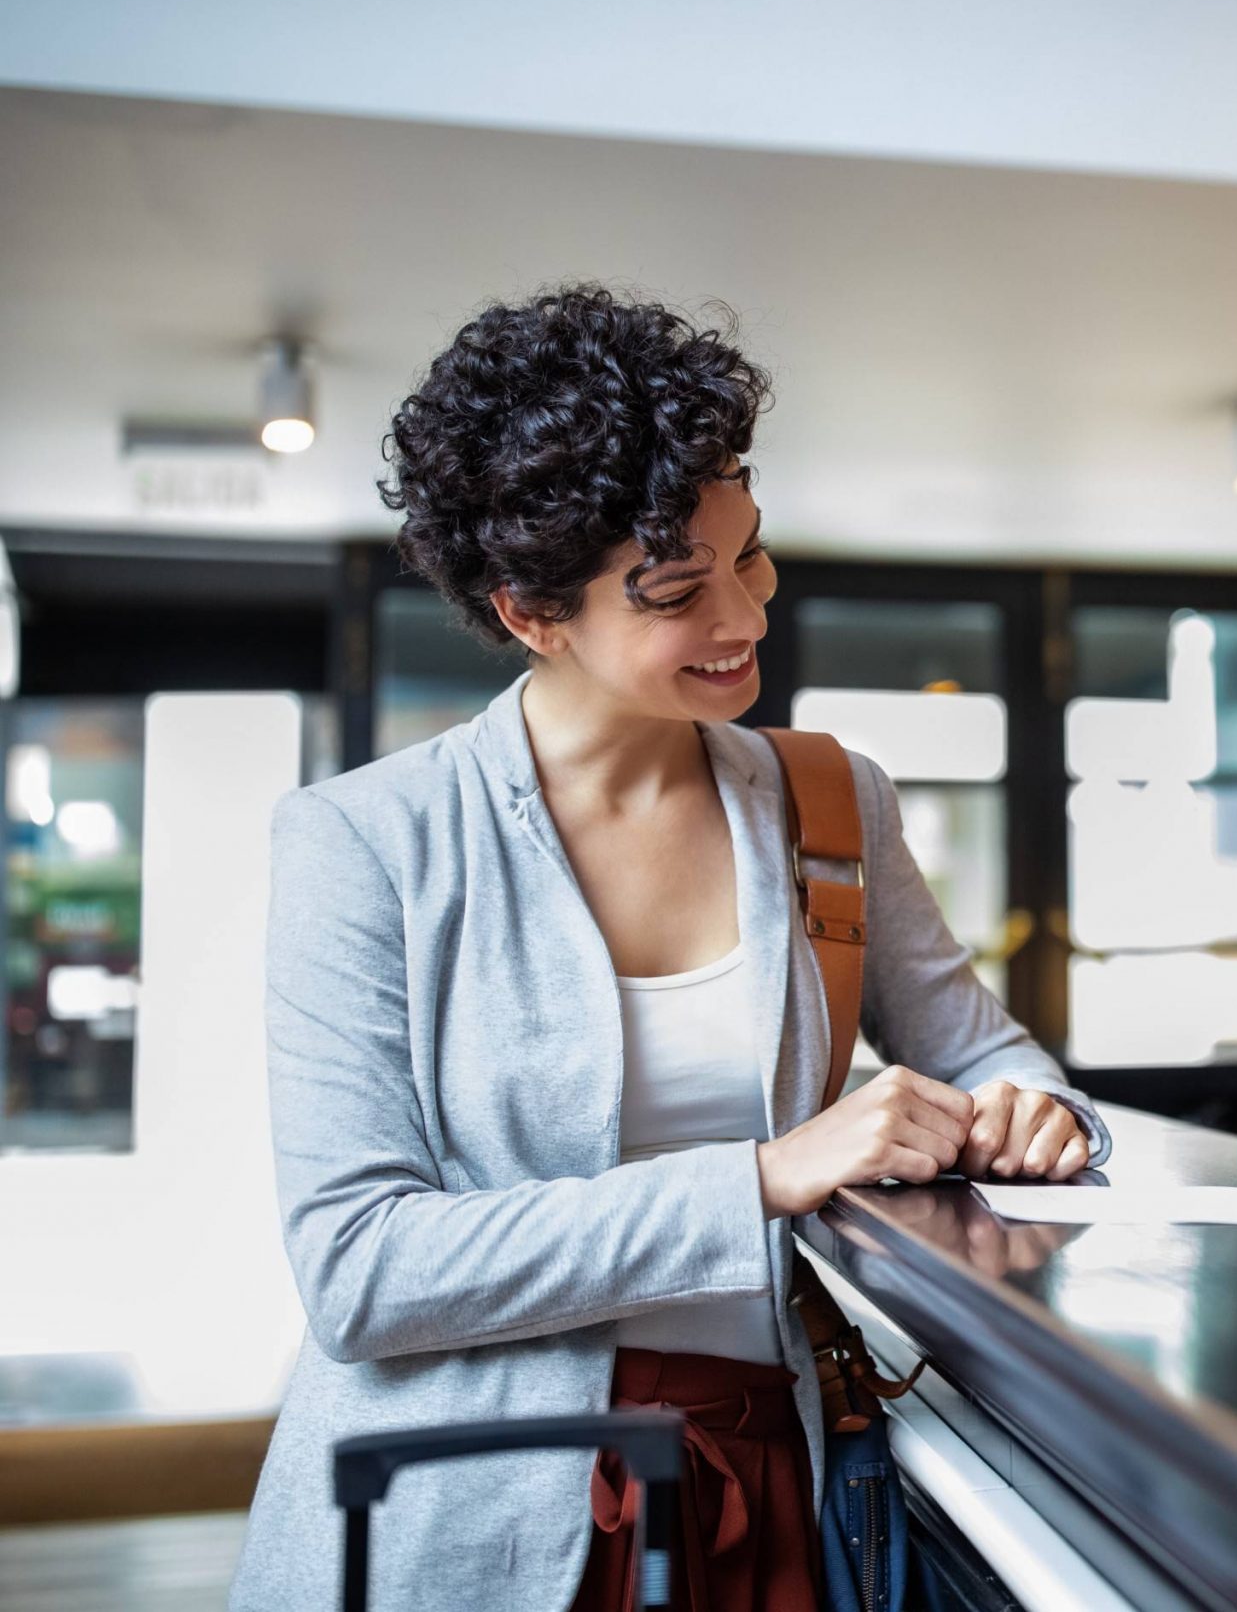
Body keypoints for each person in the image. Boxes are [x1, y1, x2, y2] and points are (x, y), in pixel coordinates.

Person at [230, 288, 1107, 1611]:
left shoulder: (828, 798)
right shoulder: (363, 842)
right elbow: (363, 1266)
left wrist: (1039, 1111)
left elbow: (987, 1046)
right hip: (471, 1501)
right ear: (533, 612)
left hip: (771, 1464)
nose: (746, 616)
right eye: (678, 591)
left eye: (749, 557)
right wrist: (758, 1175)